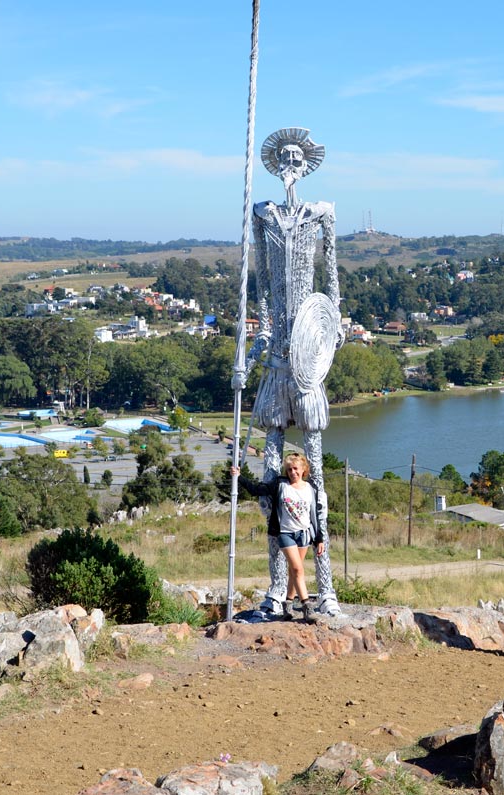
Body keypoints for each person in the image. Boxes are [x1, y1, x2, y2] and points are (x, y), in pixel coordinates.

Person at [232, 127, 344, 617]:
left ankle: (328, 589)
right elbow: (259, 287)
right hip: (278, 354)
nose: (292, 163)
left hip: (309, 357)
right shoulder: (264, 215)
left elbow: (332, 281)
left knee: (316, 481)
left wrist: (334, 327)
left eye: (300, 157)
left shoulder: (322, 213)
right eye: (286, 157)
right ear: (277, 164)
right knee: (272, 479)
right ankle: (277, 591)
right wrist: (248, 354)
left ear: (307, 163)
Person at [231, 454, 324, 621]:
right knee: (298, 569)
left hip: (304, 534)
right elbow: (257, 490)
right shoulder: (280, 484)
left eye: (296, 469)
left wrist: (319, 538)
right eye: (289, 469)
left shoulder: (311, 488)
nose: (292, 472)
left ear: (303, 469)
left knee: (294, 571)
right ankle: (307, 607)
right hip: (285, 533)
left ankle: (287, 604)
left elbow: (315, 515)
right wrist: (239, 477)